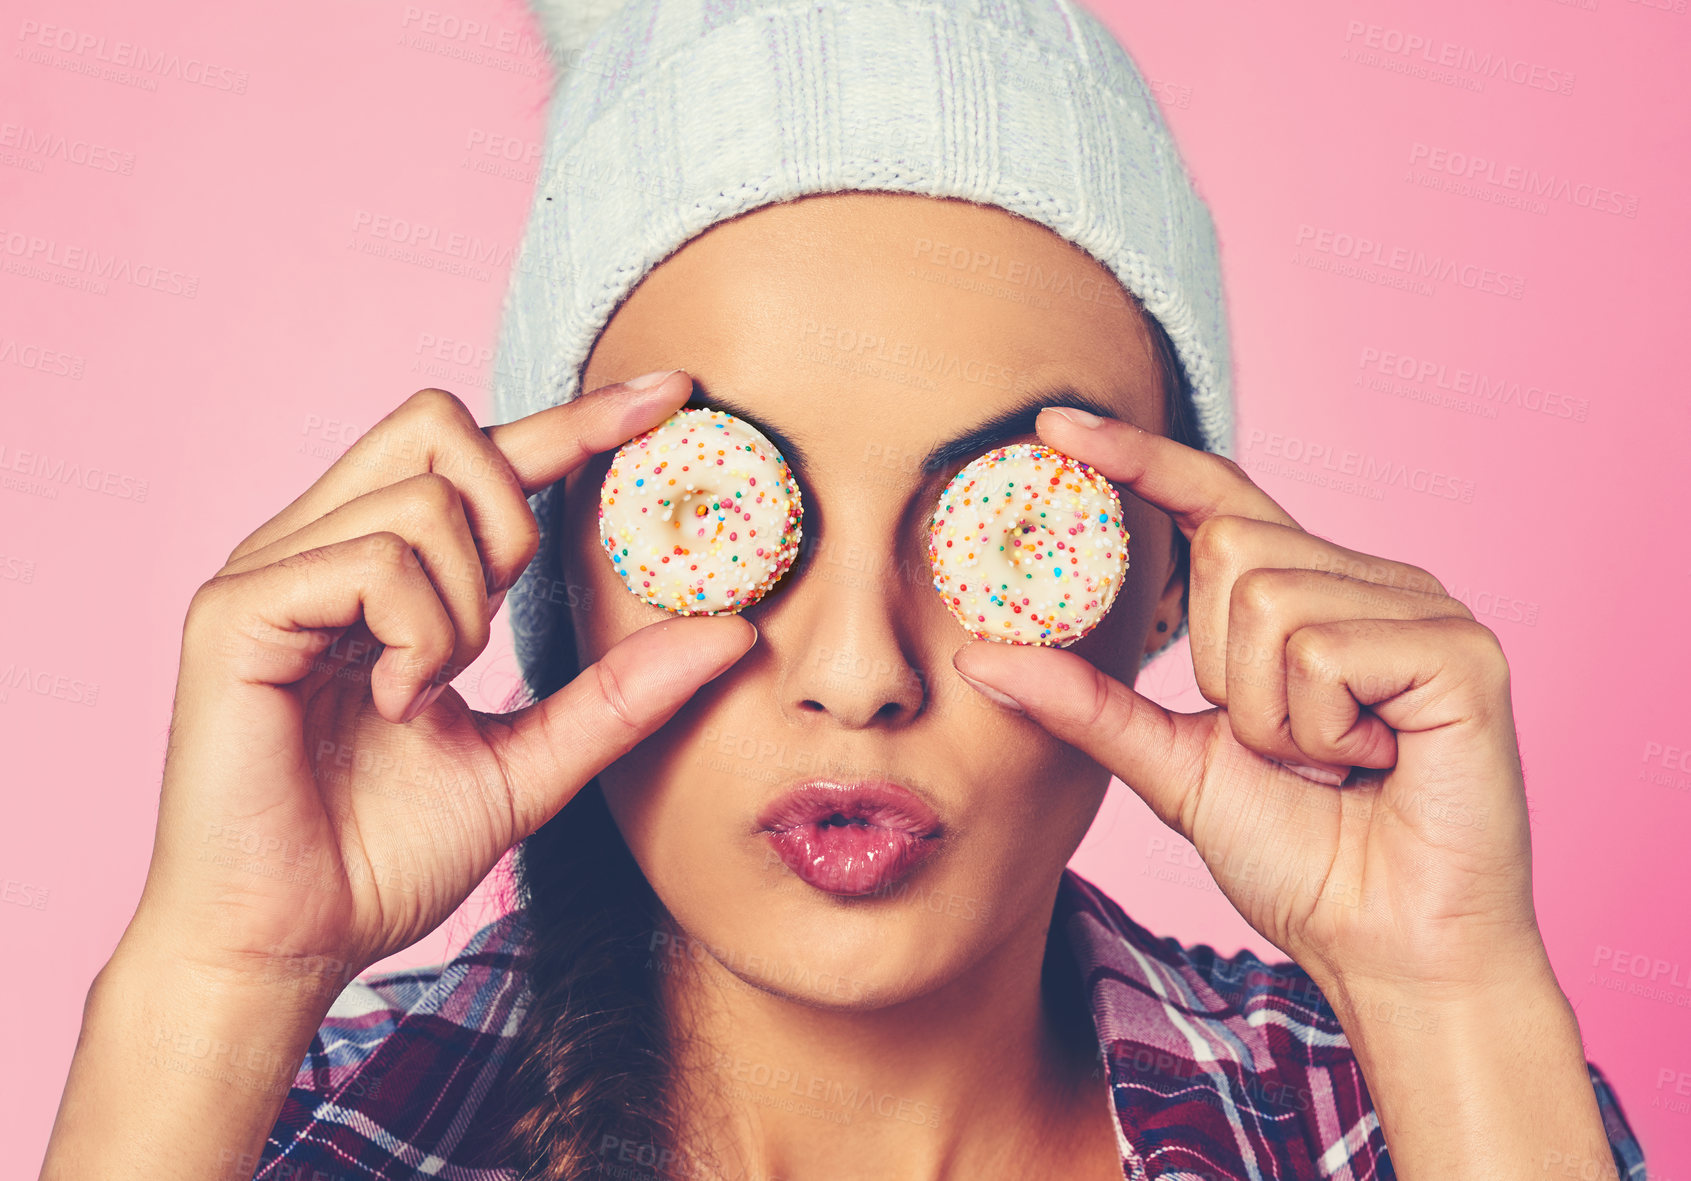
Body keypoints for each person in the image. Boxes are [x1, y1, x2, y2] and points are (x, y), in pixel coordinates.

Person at [41, 1, 1647, 1179]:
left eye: (1012, 520)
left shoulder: (1390, 1117)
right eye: (733, 508)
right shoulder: (294, 1130)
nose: (864, 669)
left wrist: (1447, 991)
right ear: (562, 572)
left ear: (1175, 577)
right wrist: (216, 978)